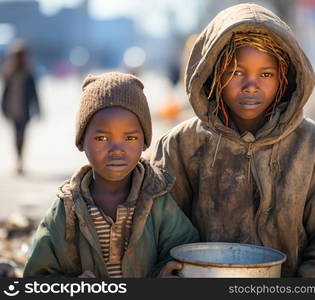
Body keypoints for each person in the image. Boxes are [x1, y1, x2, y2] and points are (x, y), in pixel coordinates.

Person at [151, 3, 315, 277]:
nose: (251, 84)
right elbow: (156, 236)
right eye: (236, 72)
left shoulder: (313, 147)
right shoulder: (181, 145)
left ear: (285, 77)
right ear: (213, 74)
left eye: (266, 74)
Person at [23, 72, 199, 278]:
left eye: (130, 137)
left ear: (144, 142)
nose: (117, 149)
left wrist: (166, 274)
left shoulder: (157, 201)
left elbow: (185, 253)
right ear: (81, 141)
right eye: (102, 137)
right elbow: (36, 276)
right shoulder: (67, 208)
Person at [1, 40, 40, 175]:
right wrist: (3, 108)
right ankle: (18, 159)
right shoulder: (9, 73)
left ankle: (21, 160)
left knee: (22, 136)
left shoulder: (29, 73)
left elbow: (35, 93)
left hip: (24, 111)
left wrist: (38, 109)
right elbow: (5, 93)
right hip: (12, 110)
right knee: (15, 136)